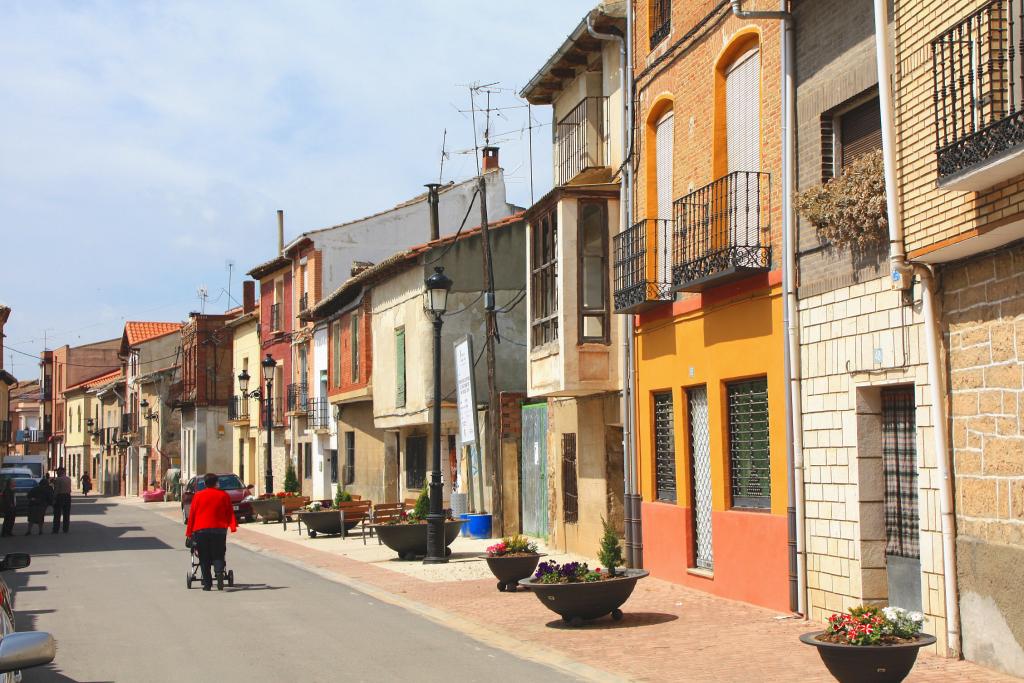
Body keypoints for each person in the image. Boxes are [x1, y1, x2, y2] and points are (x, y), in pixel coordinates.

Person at [185, 473, 237, 591]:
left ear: (205, 483)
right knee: (218, 553)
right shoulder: (223, 495)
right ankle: (219, 573)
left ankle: (207, 584)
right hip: (219, 529)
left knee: (204, 556)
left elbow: (192, 515)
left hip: (201, 529)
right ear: (216, 482)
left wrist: (189, 532)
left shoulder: (198, 496)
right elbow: (229, 511)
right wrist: (232, 525)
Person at [52, 467, 72, 534]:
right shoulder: (68, 479)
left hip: (60, 496)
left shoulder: (58, 479)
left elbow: (56, 490)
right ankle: (65, 529)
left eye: (58, 471)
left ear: (61, 472)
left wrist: (54, 498)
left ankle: (56, 529)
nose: (57, 473)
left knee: (57, 514)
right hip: (67, 496)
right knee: (66, 514)